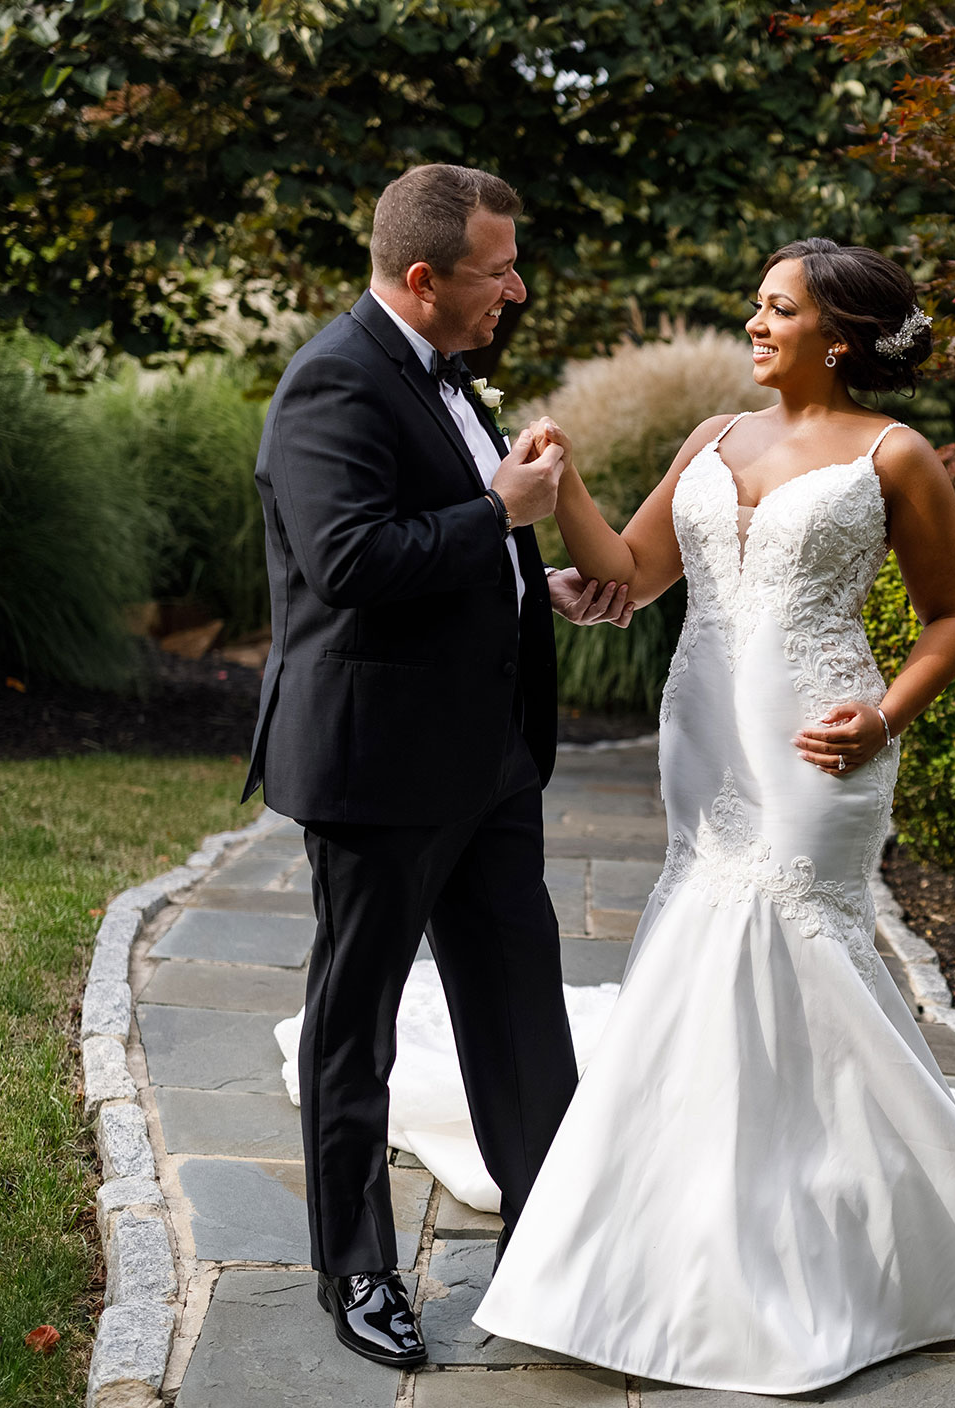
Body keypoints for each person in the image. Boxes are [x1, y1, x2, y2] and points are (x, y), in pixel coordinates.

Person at [466, 238, 955, 1392]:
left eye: (776, 308)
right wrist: (566, 485)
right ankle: (684, 1217)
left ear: (835, 337)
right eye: (754, 303)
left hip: (819, 742)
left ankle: (835, 1226)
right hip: (702, 734)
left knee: (791, 944)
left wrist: (886, 716)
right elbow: (631, 573)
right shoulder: (712, 439)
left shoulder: (896, 456)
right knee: (702, 944)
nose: (754, 323)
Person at [242, 162, 631, 1370]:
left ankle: (553, 1237)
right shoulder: (330, 384)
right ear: (425, 276)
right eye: (497, 269)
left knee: (520, 1005)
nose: (515, 286)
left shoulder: (450, 377)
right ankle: (355, 1265)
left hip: (491, 761)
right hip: (380, 766)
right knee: (353, 1022)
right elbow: (350, 561)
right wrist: (504, 518)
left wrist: (537, 579)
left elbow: (451, 546)